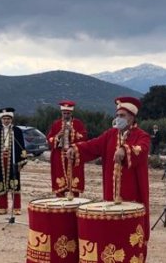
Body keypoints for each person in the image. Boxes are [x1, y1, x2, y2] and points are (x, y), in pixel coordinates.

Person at [66, 97, 150, 247]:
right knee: (112, 229)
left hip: (133, 192)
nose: (118, 118)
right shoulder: (110, 134)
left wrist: (125, 150)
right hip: (111, 193)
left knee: (130, 228)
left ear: (132, 117)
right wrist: (76, 148)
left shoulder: (142, 135)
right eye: (117, 115)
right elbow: (93, 145)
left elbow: (141, 149)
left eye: (122, 116)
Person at [0, 107, 27, 215]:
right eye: (4, 119)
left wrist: (21, 161)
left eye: (8, 118)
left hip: (13, 160)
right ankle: (2, 207)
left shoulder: (17, 131)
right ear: (1, 119)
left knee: (14, 183)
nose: (6, 121)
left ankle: (16, 208)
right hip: (0, 161)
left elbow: (21, 146)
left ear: (11, 119)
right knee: (1, 183)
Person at [46, 100, 87, 198]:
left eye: (68, 113)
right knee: (60, 180)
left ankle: (74, 202)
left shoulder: (78, 123)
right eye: (64, 113)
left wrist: (73, 131)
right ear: (61, 113)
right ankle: (60, 202)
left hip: (73, 155)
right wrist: (58, 136)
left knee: (74, 180)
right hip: (59, 156)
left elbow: (84, 138)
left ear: (71, 113)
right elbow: (49, 139)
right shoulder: (56, 124)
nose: (66, 115)